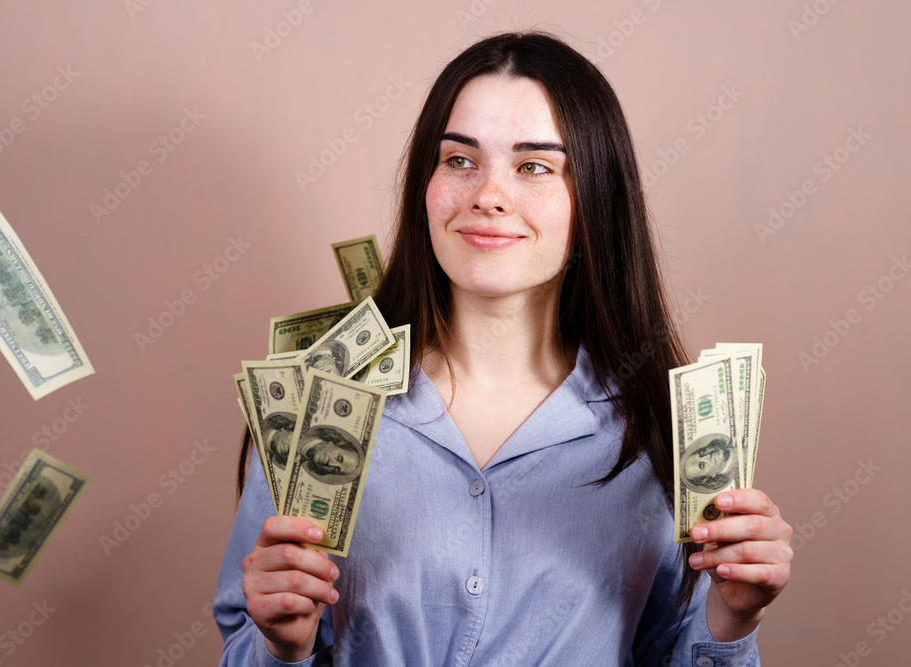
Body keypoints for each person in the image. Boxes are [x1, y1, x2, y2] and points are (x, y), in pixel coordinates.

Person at [214, 31, 792, 666]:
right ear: (423, 185)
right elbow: (244, 640)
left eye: (534, 166)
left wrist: (733, 618)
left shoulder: (663, 430)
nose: (487, 194)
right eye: (460, 160)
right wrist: (281, 647)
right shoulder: (322, 404)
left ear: (595, 199)